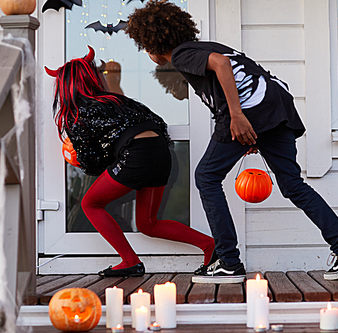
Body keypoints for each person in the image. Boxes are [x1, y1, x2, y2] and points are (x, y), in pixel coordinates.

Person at [126, 0, 338, 283]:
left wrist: (237, 116)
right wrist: (258, 126)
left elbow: (221, 65)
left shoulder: (183, 54)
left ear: (152, 42)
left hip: (250, 113)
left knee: (206, 176)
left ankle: (228, 261)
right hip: (276, 110)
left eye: (145, 47)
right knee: (293, 185)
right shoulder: (206, 45)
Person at [45, 46, 216, 277]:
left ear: (65, 87)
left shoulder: (78, 113)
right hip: (161, 153)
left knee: (90, 204)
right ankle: (211, 246)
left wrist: (79, 159)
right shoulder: (118, 101)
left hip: (137, 155)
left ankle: (130, 261)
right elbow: (158, 122)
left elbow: (92, 163)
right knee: (147, 224)